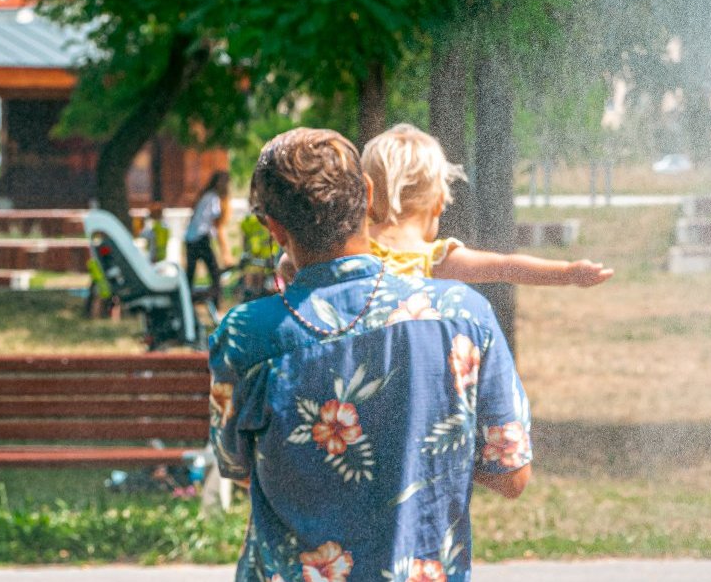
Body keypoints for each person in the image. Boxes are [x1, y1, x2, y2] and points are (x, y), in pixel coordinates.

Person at [209, 128, 531, 582]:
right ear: (368, 193)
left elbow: (236, 466)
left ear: (274, 228)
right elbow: (510, 475)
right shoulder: (463, 315)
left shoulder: (246, 337)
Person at [276, 123, 614, 289]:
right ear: (438, 203)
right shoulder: (434, 260)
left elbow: (294, 261)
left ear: (365, 193)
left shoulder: (353, 247)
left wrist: (287, 269)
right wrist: (568, 273)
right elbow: (506, 266)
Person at [183, 171, 232, 311]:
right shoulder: (213, 198)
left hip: (190, 238)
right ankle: (216, 305)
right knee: (215, 273)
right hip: (200, 238)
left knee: (190, 276)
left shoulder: (205, 196)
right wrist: (226, 253)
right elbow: (217, 226)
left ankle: (186, 304)